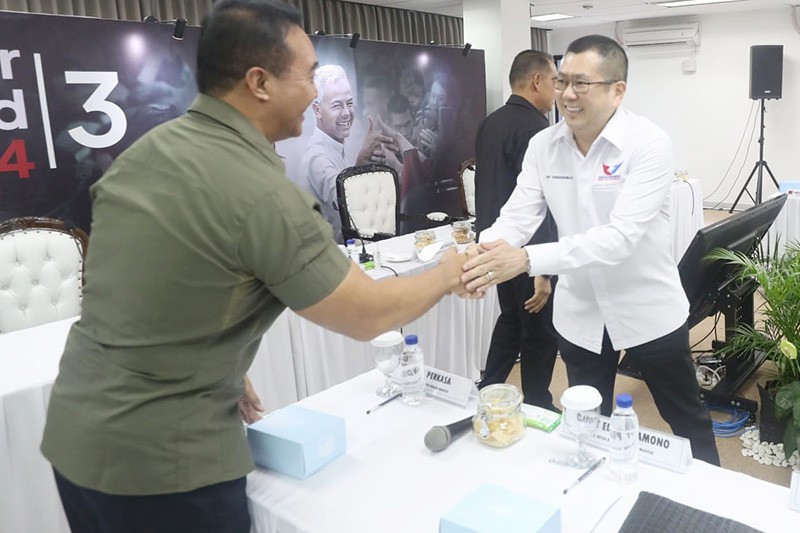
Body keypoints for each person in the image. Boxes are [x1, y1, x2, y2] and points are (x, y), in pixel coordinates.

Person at [40, 2, 467, 532]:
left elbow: (155, 280)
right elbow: (367, 314)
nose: (315, 94)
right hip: (164, 469)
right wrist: (448, 272)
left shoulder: (149, 153)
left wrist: (223, 364)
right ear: (259, 82)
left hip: (77, 439)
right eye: (308, 76)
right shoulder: (260, 192)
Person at [461, 35, 720, 465]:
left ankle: (715, 511)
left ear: (618, 90)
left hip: (647, 309)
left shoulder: (647, 143)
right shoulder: (544, 146)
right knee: (587, 422)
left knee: (686, 420)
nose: (567, 94)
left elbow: (618, 239)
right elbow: (518, 216)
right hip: (580, 312)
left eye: (582, 84)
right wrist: (481, 255)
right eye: (562, 81)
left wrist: (527, 260)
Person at [474, 50, 560, 410]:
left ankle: (487, 388)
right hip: (525, 252)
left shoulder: (489, 123)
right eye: (556, 82)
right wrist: (543, 269)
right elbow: (541, 206)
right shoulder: (539, 132)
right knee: (539, 332)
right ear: (537, 81)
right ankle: (538, 402)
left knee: (510, 319)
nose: (558, 92)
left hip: (495, 246)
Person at [299, 64, 394, 242]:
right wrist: (361, 161)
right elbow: (348, 201)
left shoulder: (334, 147)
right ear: (317, 110)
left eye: (349, 103)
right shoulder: (317, 156)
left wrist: (363, 163)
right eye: (336, 106)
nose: (347, 113)